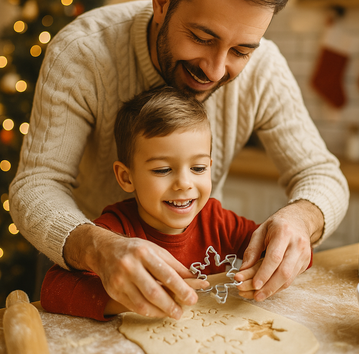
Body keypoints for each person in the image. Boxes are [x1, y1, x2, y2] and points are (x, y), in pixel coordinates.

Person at [9, 0, 349, 321]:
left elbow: (321, 174)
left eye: (241, 51)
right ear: (161, 1)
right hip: (86, 271)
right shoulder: (83, 51)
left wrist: (300, 220)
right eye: (203, 38)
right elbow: (36, 184)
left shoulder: (265, 68)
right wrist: (99, 248)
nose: (217, 70)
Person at [40, 86, 266, 321]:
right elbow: (53, 289)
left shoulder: (217, 220)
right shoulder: (116, 231)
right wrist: (133, 297)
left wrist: (263, 271)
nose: (184, 183)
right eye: (163, 170)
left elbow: (270, 247)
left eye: (198, 168)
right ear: (127, 177)